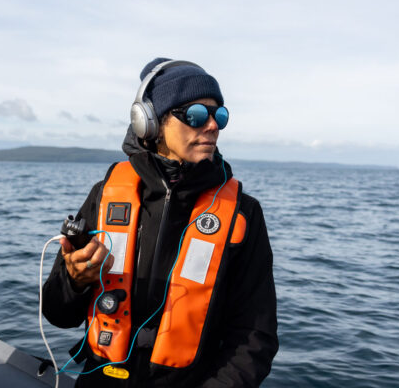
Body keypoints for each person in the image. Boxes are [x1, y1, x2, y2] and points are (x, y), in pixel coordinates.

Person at [42, 58, 278, 387]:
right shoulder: (105, 194)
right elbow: (57, 314)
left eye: (219, 115)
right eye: (196, 115)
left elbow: (254, 339)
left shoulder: (243, 214)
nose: (212, 125)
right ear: (150, 123)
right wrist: (74, 281)